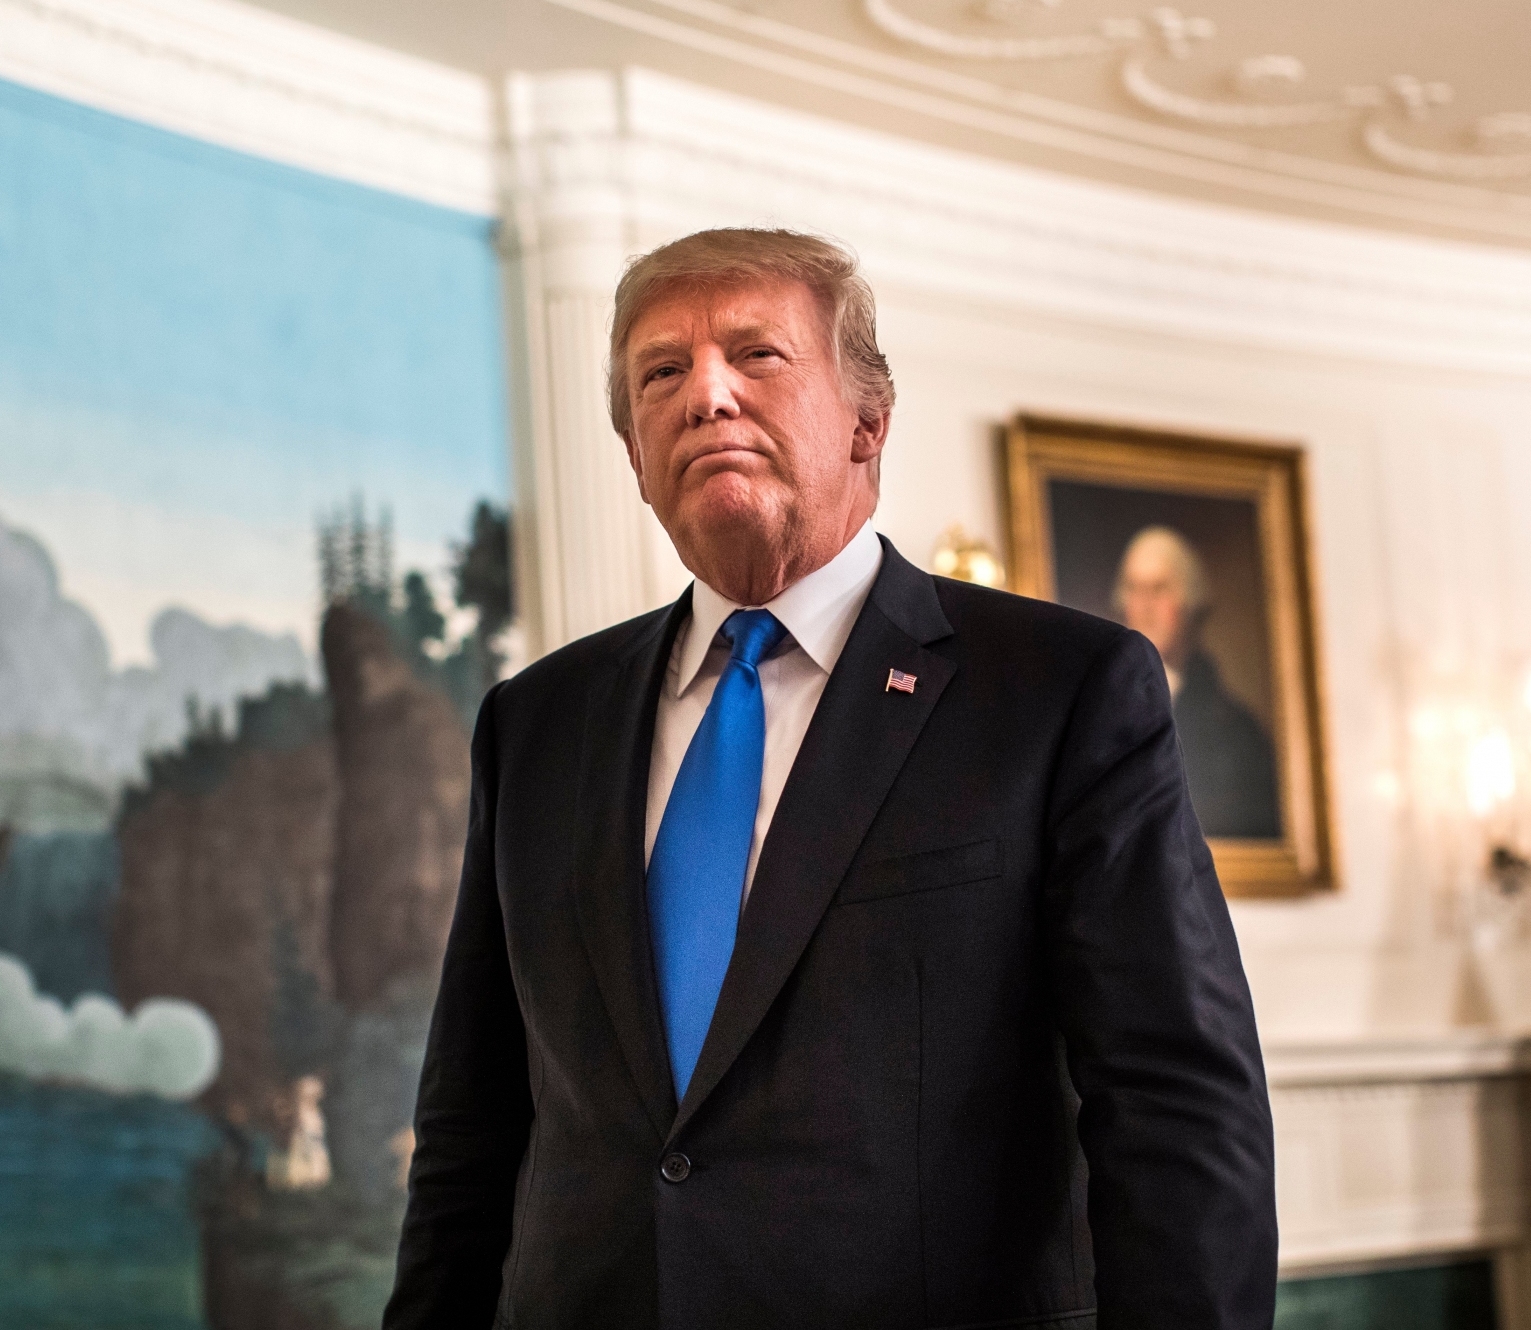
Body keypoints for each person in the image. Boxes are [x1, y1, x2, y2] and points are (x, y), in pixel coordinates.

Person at [384, 229, 1276, 1330]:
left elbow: (1175, 1102)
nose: (705, 392)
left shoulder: (1059, 691)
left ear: (867, 422)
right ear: (633, 454)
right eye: (660, 371)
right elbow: (473, 1127)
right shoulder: (534, 723)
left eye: (755, 355)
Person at [1114, 527, 1283, 840]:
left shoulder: (1238, 732)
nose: (1145, 605)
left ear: (1189, 603)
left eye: (1159, 589)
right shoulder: (1101, 712)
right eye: (1134, 589)